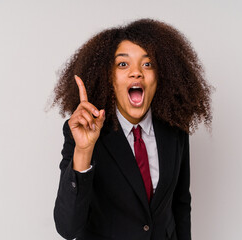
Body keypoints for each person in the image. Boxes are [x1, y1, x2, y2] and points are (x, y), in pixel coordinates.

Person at [51, 18, 212, 240]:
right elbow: (68, 228)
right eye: (123, 64)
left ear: (161, 75)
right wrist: (84, 150)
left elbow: (180, 204)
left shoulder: (175, 129)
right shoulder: (82, 133)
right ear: (109, 78)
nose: (137, 72)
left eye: (147, 64)